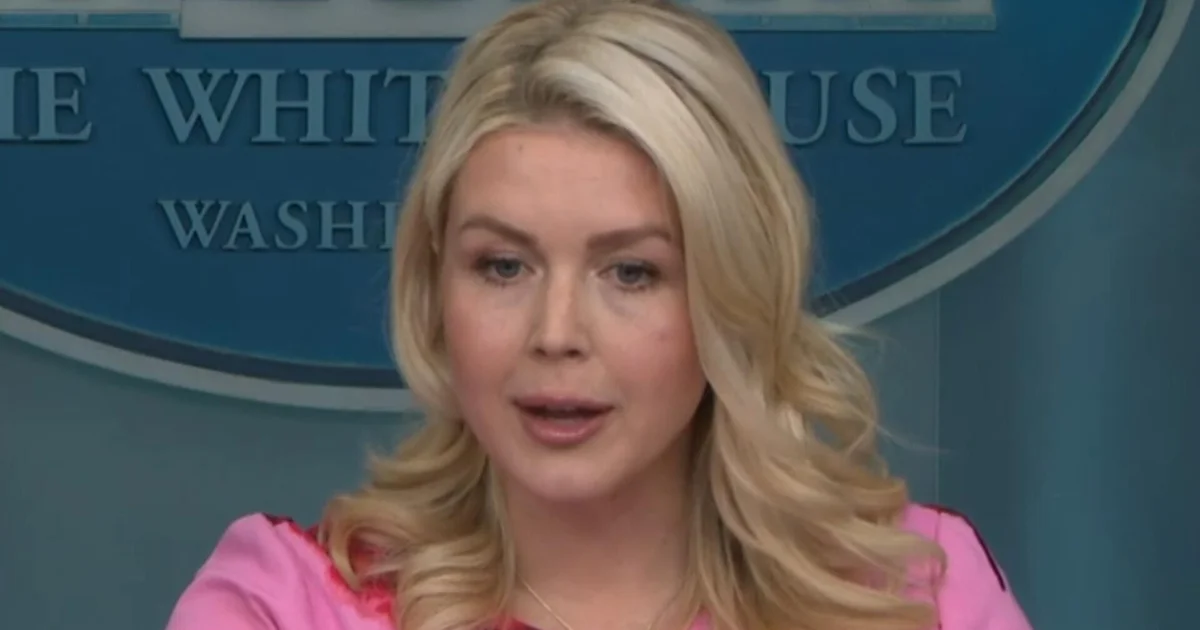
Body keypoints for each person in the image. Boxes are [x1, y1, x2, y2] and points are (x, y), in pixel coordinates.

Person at [165, 0, 1034, 628]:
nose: (556, 334)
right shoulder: (286, 606)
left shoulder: (916, 595)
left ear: (730, 290)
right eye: (503, 266)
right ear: (433, 287)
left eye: (631, 272)